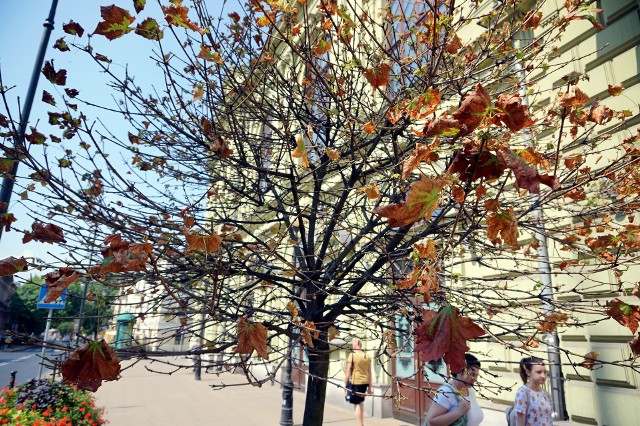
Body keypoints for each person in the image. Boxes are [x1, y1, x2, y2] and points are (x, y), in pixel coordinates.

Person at [426, 353, 482, 426]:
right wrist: (459, 412)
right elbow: (432, 422)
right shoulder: (446, 392)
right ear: (459, 370)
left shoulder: (470, 390)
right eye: (472, 374)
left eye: (476, 375)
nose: (474, 379)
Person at [514, 356, 553, 426]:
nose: (543, 376)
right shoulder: (523, 393)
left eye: (545, 372)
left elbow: (549, 420)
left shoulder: (546, 395)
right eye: (539, 372)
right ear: (528, 372)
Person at [345, 337, 372, 426]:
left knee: (356, 404)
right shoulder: (367, 356)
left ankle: (360, 424)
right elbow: (370, 373)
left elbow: (348, 370)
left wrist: (345, 384)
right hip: (364, 383)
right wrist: (369, 388)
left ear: (356, 344)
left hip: (355, 382)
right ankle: (361, 423)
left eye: (353, 344)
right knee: (360, 402)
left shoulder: (352, 355)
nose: (352, 346)